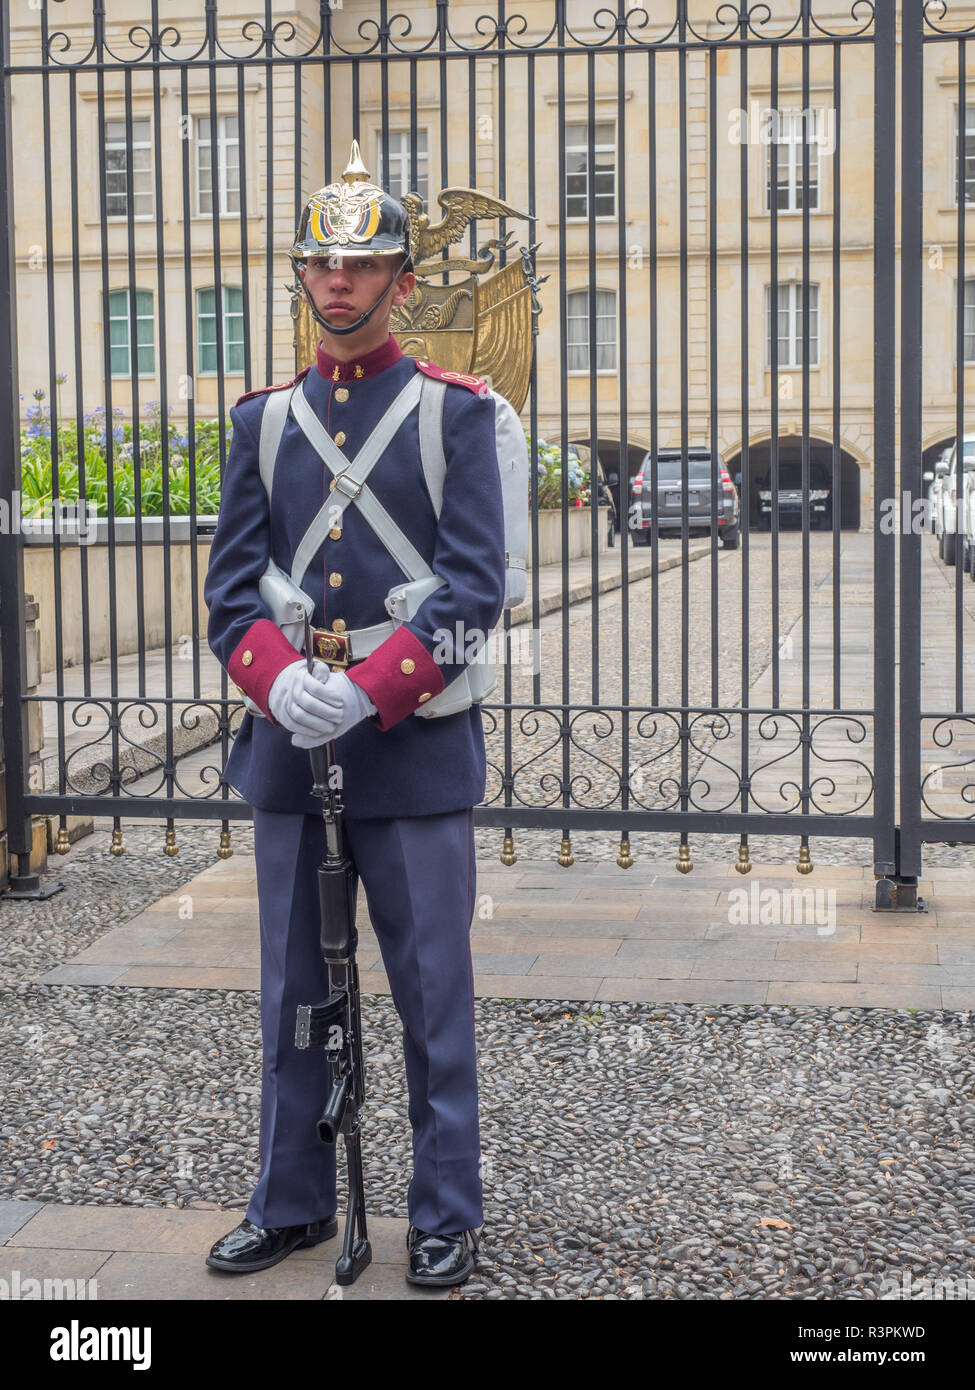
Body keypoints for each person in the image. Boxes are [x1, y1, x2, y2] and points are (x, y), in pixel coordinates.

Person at [202, 141, 507, 1288]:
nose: (337, 282)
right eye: (322, 263)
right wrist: (278, 679)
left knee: (433, 994)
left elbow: (477, 593)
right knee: (292, 994)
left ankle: (444, 1208)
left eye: (362, 264)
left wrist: (373, 691)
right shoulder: (263, 423)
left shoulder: (456, 415)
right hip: (289, 750)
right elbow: (233, 591)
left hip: (414, 752)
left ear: (403, 284)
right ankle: (290, 1201)